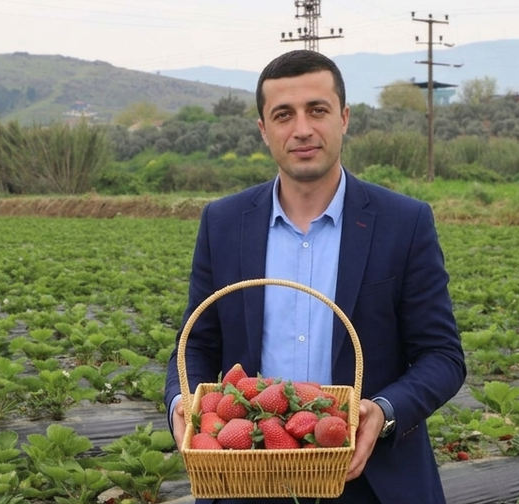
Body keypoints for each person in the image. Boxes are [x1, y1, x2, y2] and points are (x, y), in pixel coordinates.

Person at [164, 49, 466, 504]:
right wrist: (180, 407)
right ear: (264, 130)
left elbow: (442, 356)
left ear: (343, 117)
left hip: (371, 478)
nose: (302, 129)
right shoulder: (224, 223)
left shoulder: (404, 222)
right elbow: (197, 344)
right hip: (248, 478)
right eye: (283, 115)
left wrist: (381, 413)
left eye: (317, 110)